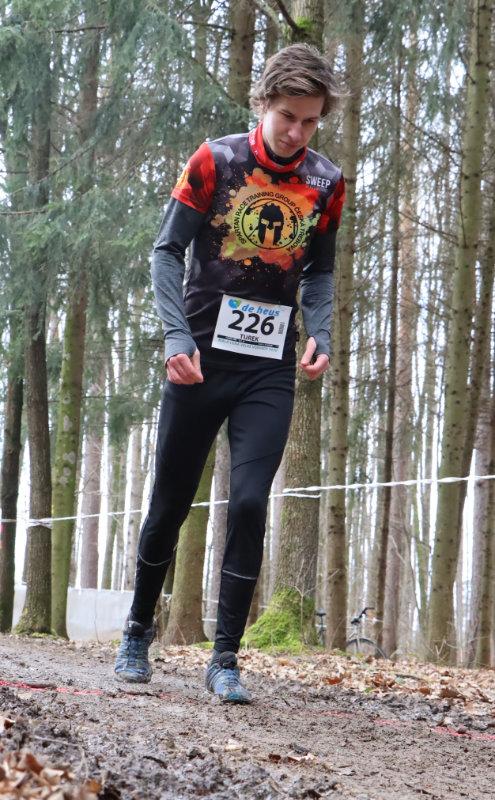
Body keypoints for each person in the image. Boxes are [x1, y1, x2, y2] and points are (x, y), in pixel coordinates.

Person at [114, 43, 345, 703]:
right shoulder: (214, 161)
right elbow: (166, 250)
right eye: (287, 117)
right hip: (198, 360)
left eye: (309, 120)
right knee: (170, 501)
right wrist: (174, 335)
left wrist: (321, 331)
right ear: (263, 104)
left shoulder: (326, 182)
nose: (297, 132)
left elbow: (320, 270)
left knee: (247, 503)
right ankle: (136, 633)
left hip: (267, 370)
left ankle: (225, 660)